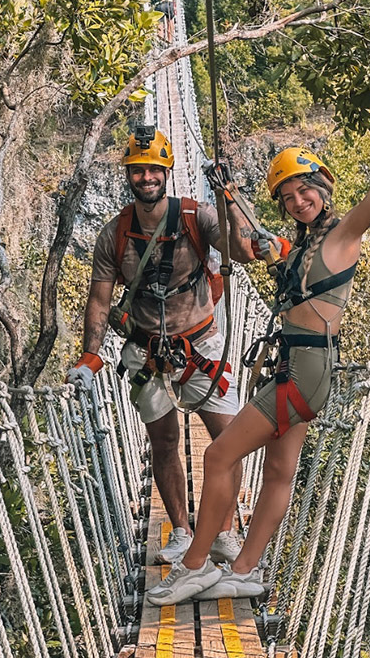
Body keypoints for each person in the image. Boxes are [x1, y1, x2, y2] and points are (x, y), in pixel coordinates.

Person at [144, 78, 370, 603]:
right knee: (280, 470)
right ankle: (244, 570)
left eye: (304, 189)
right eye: (287, 197)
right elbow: (246, 245)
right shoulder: (297, 246)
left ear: (323, 186)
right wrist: (226, 194)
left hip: (304, 373)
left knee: (218, 457)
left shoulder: (341, 236)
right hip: (299, 367)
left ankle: (195, 566)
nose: (297, 200)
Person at [67, 130, 256, 565]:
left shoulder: (197, 216)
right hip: (145, 353)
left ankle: (224, 532)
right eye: (139, 170)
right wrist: (90, 357)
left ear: (167, 173)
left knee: (229, 440)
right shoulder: (113, 233)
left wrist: (228, 198)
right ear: (129, 175)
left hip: (201, 348)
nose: (147, 177)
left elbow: (241, 251)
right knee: (165, 441)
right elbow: (99, 300)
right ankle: (183, 533)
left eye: (154, 169)